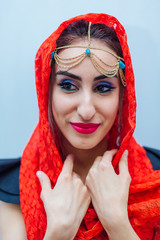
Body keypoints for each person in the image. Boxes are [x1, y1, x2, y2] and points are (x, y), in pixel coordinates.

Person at [0, 13, 160, 240]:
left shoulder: (155, 178)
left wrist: (117, 222)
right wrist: (58, 233)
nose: (86, 110)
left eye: (103, 88)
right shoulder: (9, 190)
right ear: (48, 92)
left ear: (123, 97)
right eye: (68, 85)